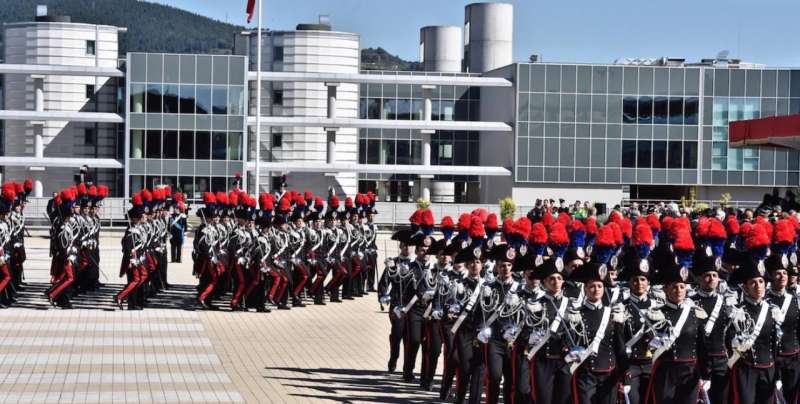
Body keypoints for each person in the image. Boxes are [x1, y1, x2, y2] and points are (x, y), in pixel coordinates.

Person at [564, 261, 626, 404]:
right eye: (591, 286)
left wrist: (624, 373)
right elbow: (567, 341)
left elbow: (619, 345)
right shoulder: (576, 313)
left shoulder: (612, 314)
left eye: (599, 286)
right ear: (585, 289)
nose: (596, 289)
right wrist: (570, 351)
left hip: (609, 371)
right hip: (585, 373)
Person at [726, 258, 781, 403]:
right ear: (745, 287)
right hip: (746, 371)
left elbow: (776, 345)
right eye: (753, 283)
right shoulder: (737, 311)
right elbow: (727, 340)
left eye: (761, 282)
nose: (758, 286)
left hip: (769, 369)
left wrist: (778, 374)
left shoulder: (772, 310)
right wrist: (734, 342)